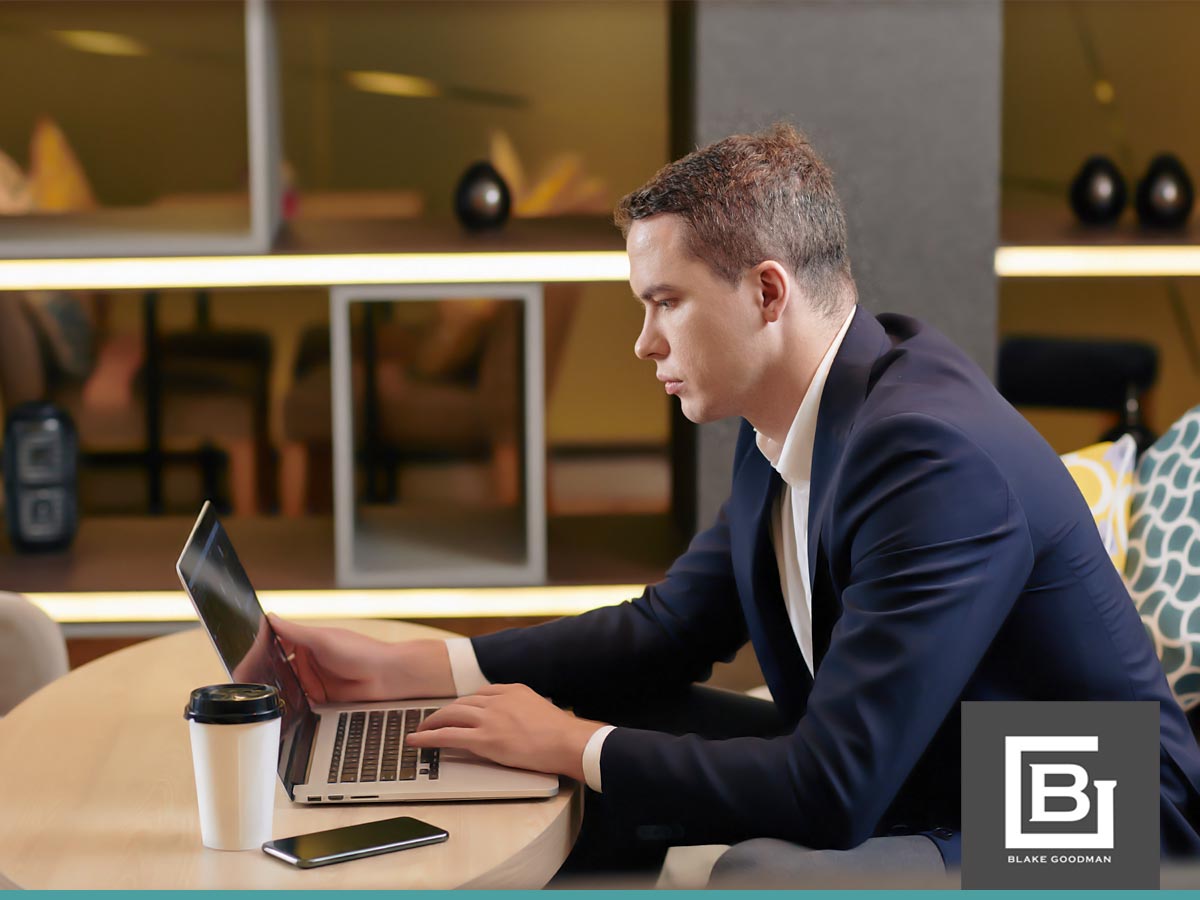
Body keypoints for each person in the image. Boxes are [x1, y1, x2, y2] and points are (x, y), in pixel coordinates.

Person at [270, 123, 1200, 886]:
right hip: (932, 760)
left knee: (760, 872)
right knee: (608, 728)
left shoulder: (928, 455)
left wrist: (573, 743)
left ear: (766, 292)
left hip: (1093, 803)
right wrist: (419, 667)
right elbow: (666, 629)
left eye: (664, 302)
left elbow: (832, 788)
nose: (642, 343)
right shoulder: (793, 418)